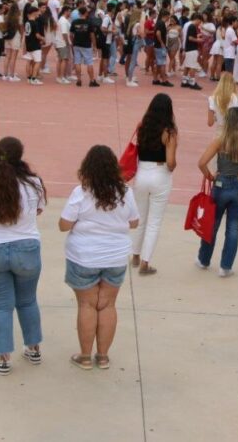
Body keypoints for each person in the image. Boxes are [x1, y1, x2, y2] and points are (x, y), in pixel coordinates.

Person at [60, 145, 140, 370]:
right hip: (115, 257)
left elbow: (63, 224)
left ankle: (85, 356)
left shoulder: (81, 192)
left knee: (87, 305)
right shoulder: (125, 192)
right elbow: (134, 222)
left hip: (84, 256)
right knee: (107, 305)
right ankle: (102, 356)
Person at [0, 136, 47, 375]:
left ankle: (3, 357)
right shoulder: (34, 183)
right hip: (26, 247)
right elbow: (38, 210)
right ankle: (34, 348)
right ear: (20, 156)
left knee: (0, 306)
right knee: (27, 300)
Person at [196, 107, 238, 277]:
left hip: (221, 185)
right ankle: (225, 266)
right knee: (233, 228)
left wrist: (211, 177)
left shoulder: (220, 141)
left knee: (212, 225)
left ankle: (204, 259)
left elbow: (201, 163)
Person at [130, 93, 178, 275]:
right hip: (160, 174)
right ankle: (145, 262)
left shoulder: (142, 127)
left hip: (142, 173)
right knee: (154, 221)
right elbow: (171, 163)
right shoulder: (169, 132)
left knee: (140, 217)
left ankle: (134, 255)